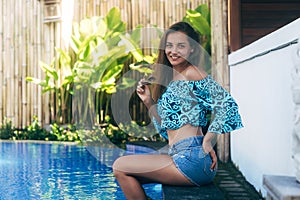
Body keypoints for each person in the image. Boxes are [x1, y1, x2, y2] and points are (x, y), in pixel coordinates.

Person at [112, 21, 243, 200]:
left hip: (192, 158)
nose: (173, 51)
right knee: (124, 172)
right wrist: (149, 102)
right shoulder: (173, 79)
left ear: (192, 49)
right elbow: (167, 130)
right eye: (169, 45)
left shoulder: (192, 73)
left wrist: (208, 140)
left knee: (120, 165)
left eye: (181, 46)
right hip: (179, 155)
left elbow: (227, 105)